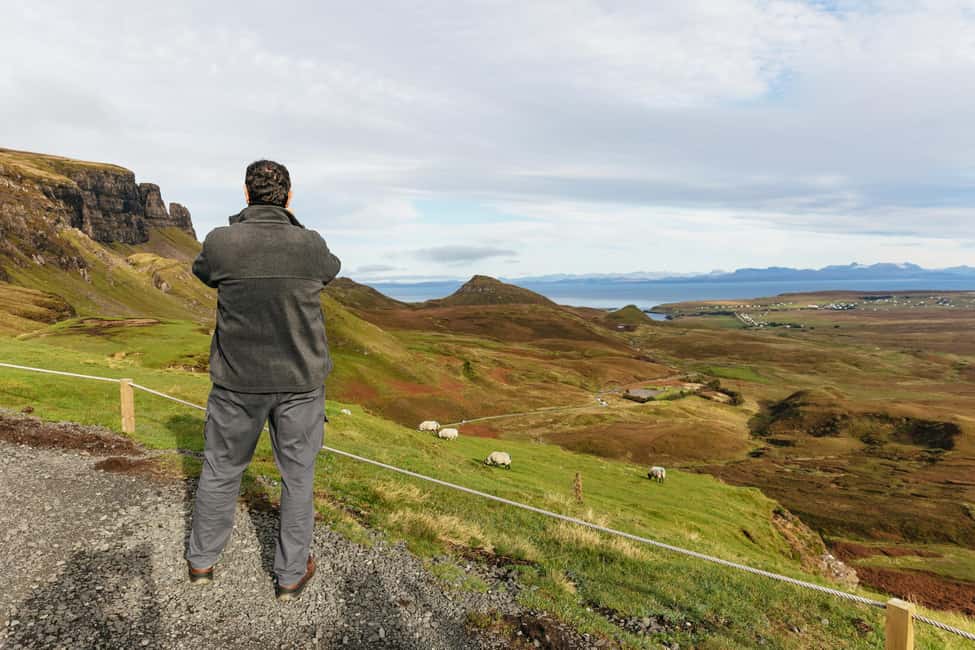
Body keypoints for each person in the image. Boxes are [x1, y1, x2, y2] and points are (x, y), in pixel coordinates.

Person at [186, 159, 341, 601]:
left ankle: (201, 562)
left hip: (236, 382)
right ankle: (290, 576)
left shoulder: (222, 242)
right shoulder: (310, 244)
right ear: (289, 197)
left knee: (221, 469)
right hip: (300, 384)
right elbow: (329, 268)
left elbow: (203, 272)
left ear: (245, 192)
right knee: (298, 477)